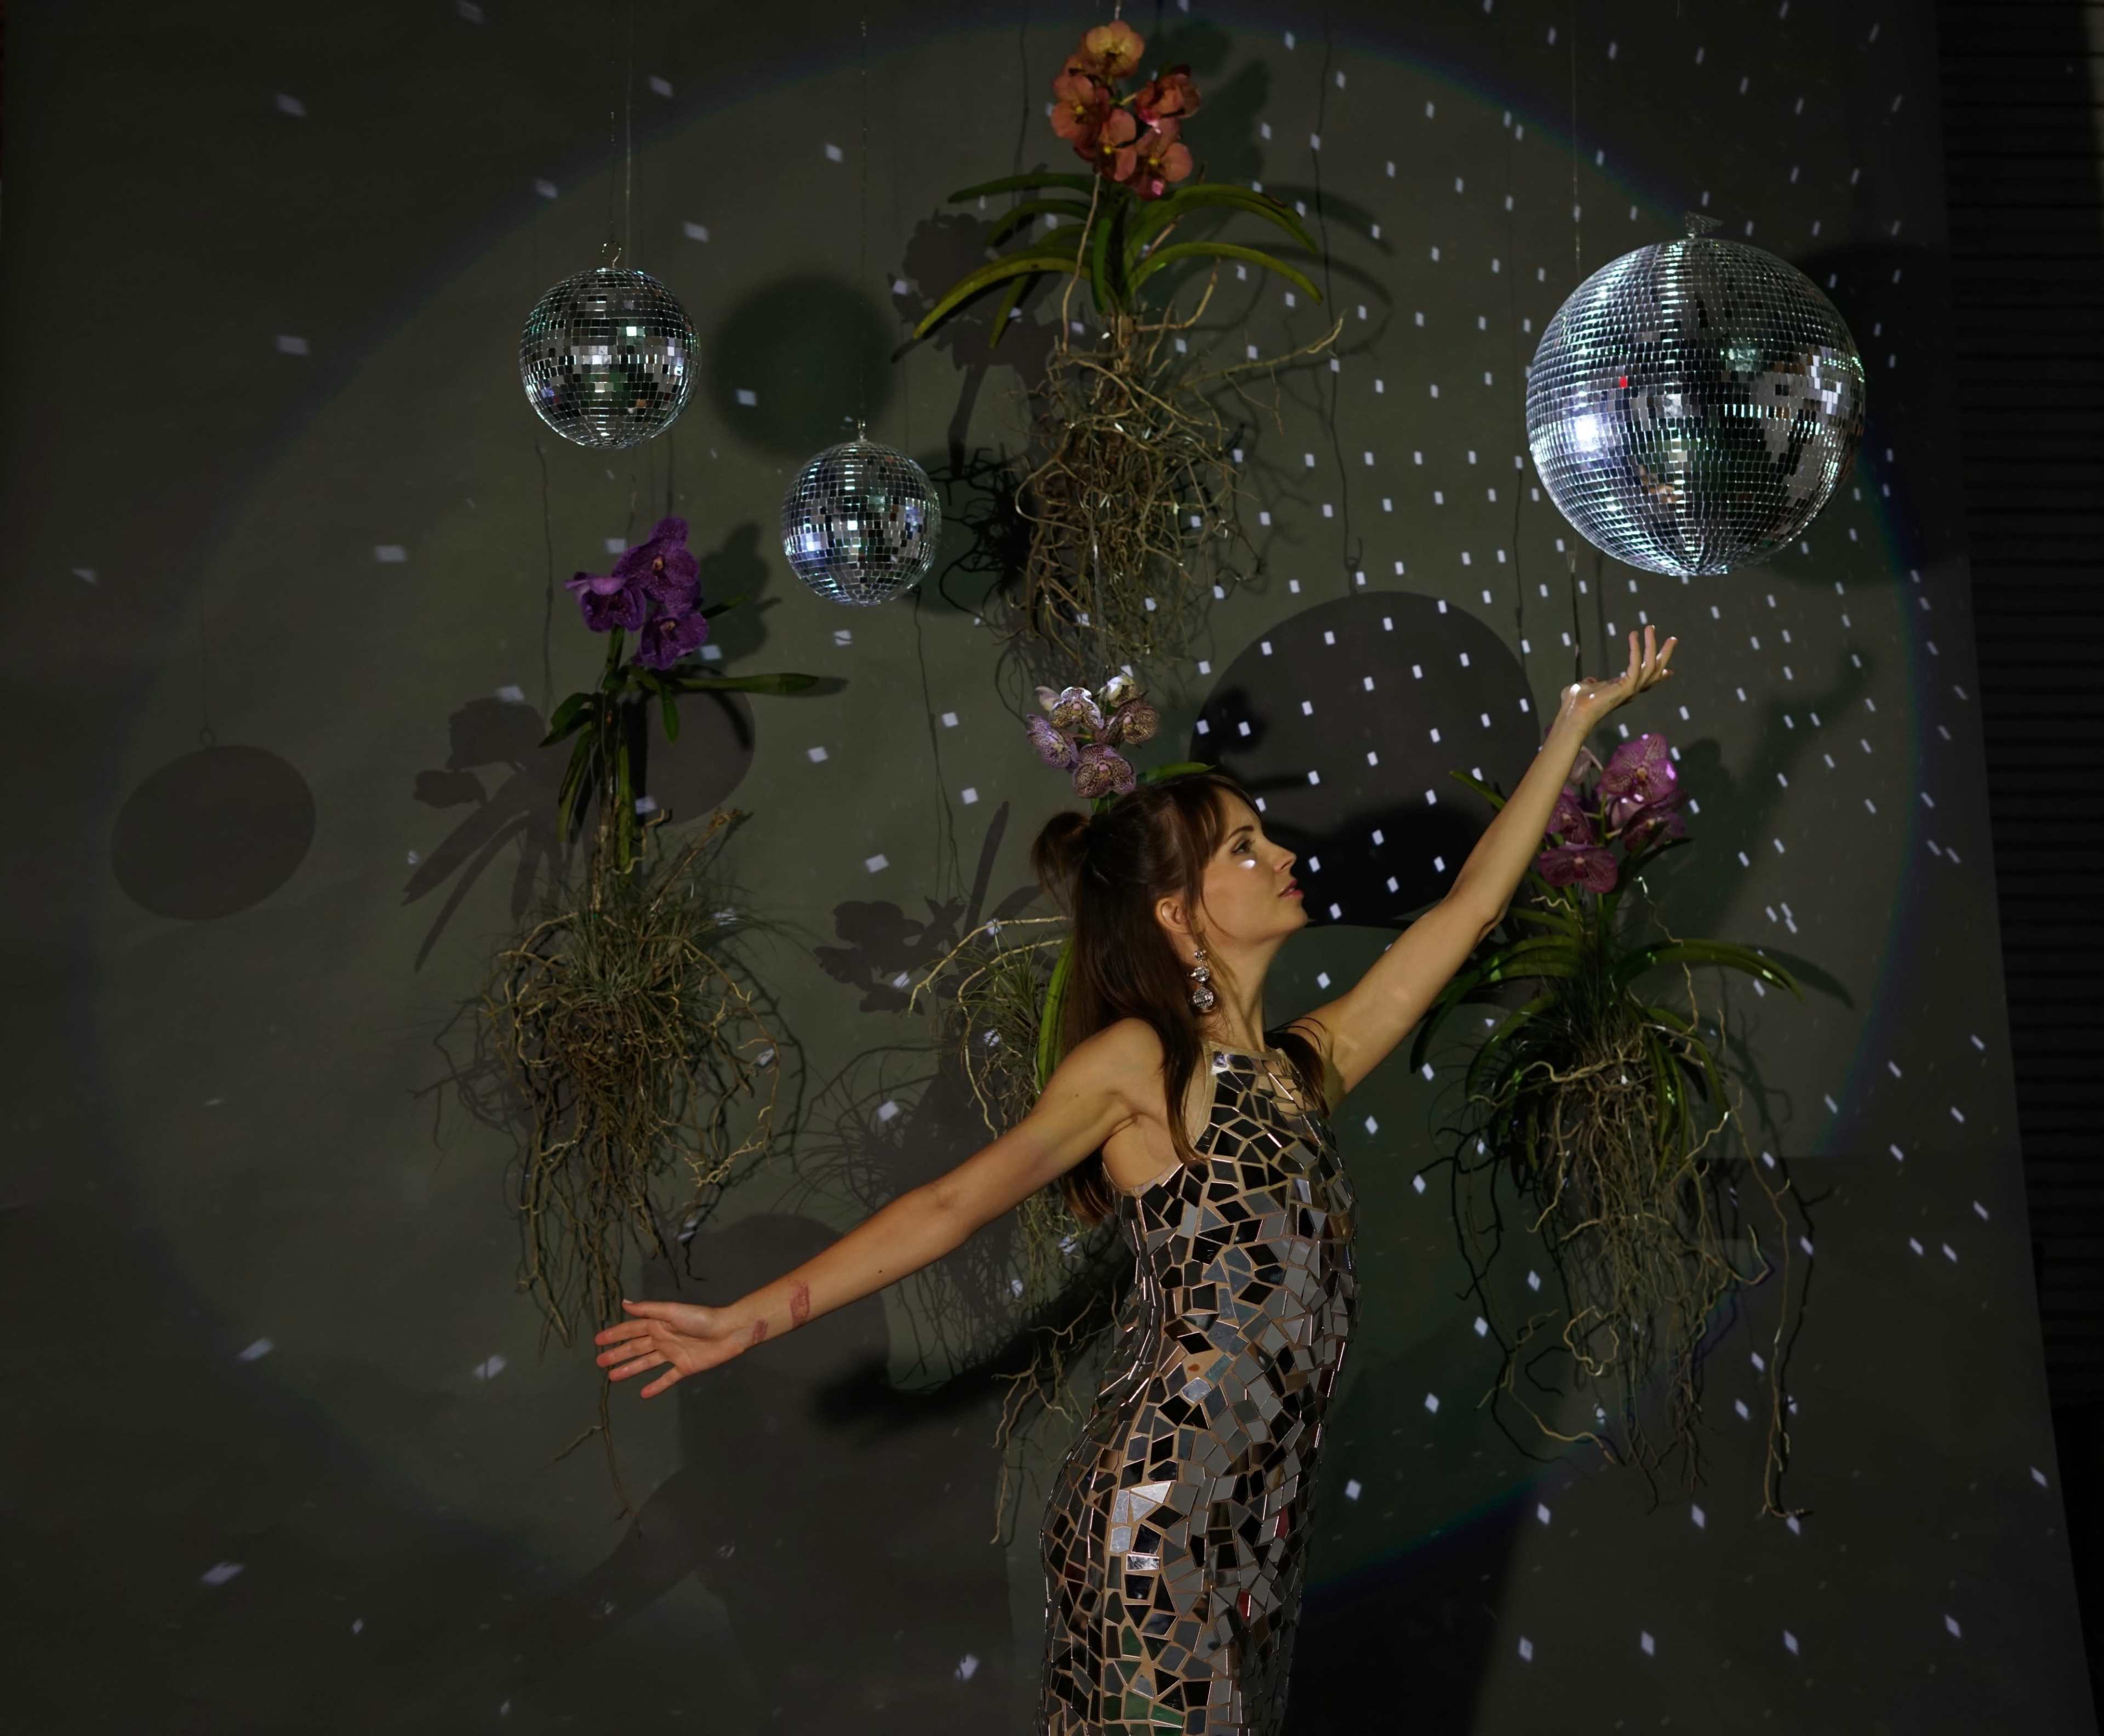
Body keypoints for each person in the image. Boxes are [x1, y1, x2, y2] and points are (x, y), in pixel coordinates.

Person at [594, 626, 1677, 1734]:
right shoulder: (1138, 1066)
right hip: (1160, 1516)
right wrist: (744, 1322)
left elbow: (1470, 910)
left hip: (1260, 1526)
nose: (1282, 855)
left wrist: (1572, 726)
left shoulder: (1306, 1068)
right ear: (1177, 914)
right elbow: (952, 1204)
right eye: (1245, 848)